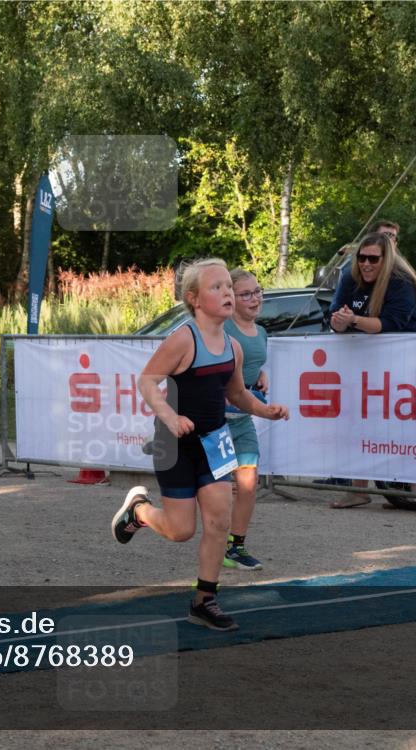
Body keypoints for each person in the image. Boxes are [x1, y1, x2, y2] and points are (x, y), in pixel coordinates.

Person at [111, 259, 289, 631]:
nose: (227, 293)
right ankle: (140, 511)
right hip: (174, 444)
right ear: (193, 299)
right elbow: (147, 382)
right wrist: (169, 417)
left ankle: (204, 600)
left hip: (215, 441)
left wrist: (266, 411)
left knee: (219, 520)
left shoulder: (233, 347)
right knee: (180, 531)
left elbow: (238, 394)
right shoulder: (182, 339)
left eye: (229, 287)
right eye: (217, 288)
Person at [328, 231, 416, 508]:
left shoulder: (402, 282)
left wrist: (354, 320)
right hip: (366, 363)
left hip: (407, 360)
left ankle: (409, 488)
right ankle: (358, 488)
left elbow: (390, 324)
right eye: (362, 258)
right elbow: (335, 318)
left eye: (373, 258)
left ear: (386, 260)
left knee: (404, 423)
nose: (366, 264)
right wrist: (339, 322)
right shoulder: (350, 278)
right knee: (358, 419)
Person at [221, 268, 269, 570]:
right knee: (218, 491)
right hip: (215, 422)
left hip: (242, 419)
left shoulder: (262, 331)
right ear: (231, 299)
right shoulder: (223, 329)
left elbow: (251, 363)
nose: (255, 298)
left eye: (258, 291)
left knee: (249, 483)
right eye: (246, 294)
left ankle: (235, 547)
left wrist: (259, 376)